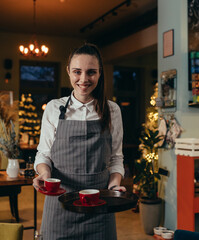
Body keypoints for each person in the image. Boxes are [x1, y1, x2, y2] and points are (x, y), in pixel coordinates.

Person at [33, 43, 126, 240]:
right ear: (68, 72)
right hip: (60, 202)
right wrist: (45, 174)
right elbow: (43, 154)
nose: (83, 79)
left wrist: (115, 185)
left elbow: (116, 158)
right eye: (77, 72)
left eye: (91, 72)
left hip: (99, 202)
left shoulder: (112, 110)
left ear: (100, 74)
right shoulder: (53, 108)